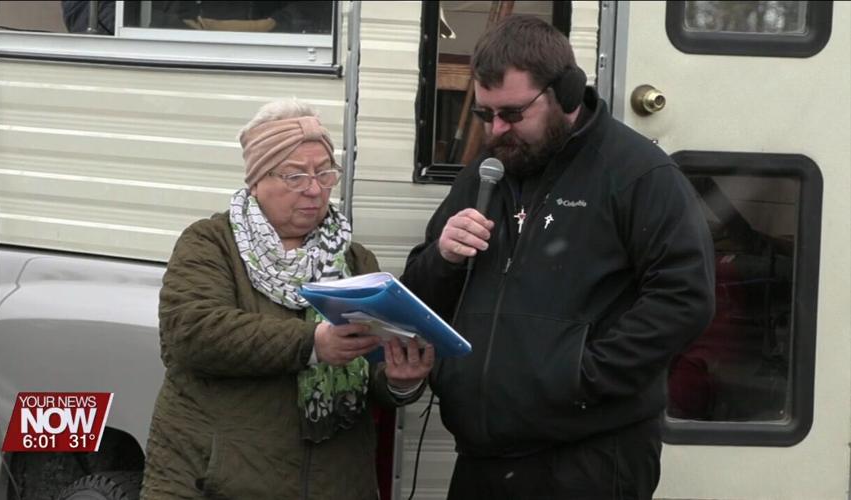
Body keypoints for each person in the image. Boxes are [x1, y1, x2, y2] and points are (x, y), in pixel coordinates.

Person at [400, 15, 715, 500]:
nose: (495, 131)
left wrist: (582, 377)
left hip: (589, 458)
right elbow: (419, 297)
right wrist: (444, 256)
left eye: (511, 114)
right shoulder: (485, 175)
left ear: (566, 93)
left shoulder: (638, 173)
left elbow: (685, 297)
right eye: (485, 115)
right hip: (483, 459)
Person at [140, 99, 434, 500]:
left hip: (336, 485)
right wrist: (312, 344)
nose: (315, 189)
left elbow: (371, 373)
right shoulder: (211, 243)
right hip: (216, 483)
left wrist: (401, 380)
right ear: (257, 179)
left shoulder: (353, 259)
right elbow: (192, 334)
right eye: (295, 175)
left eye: (324, 173)